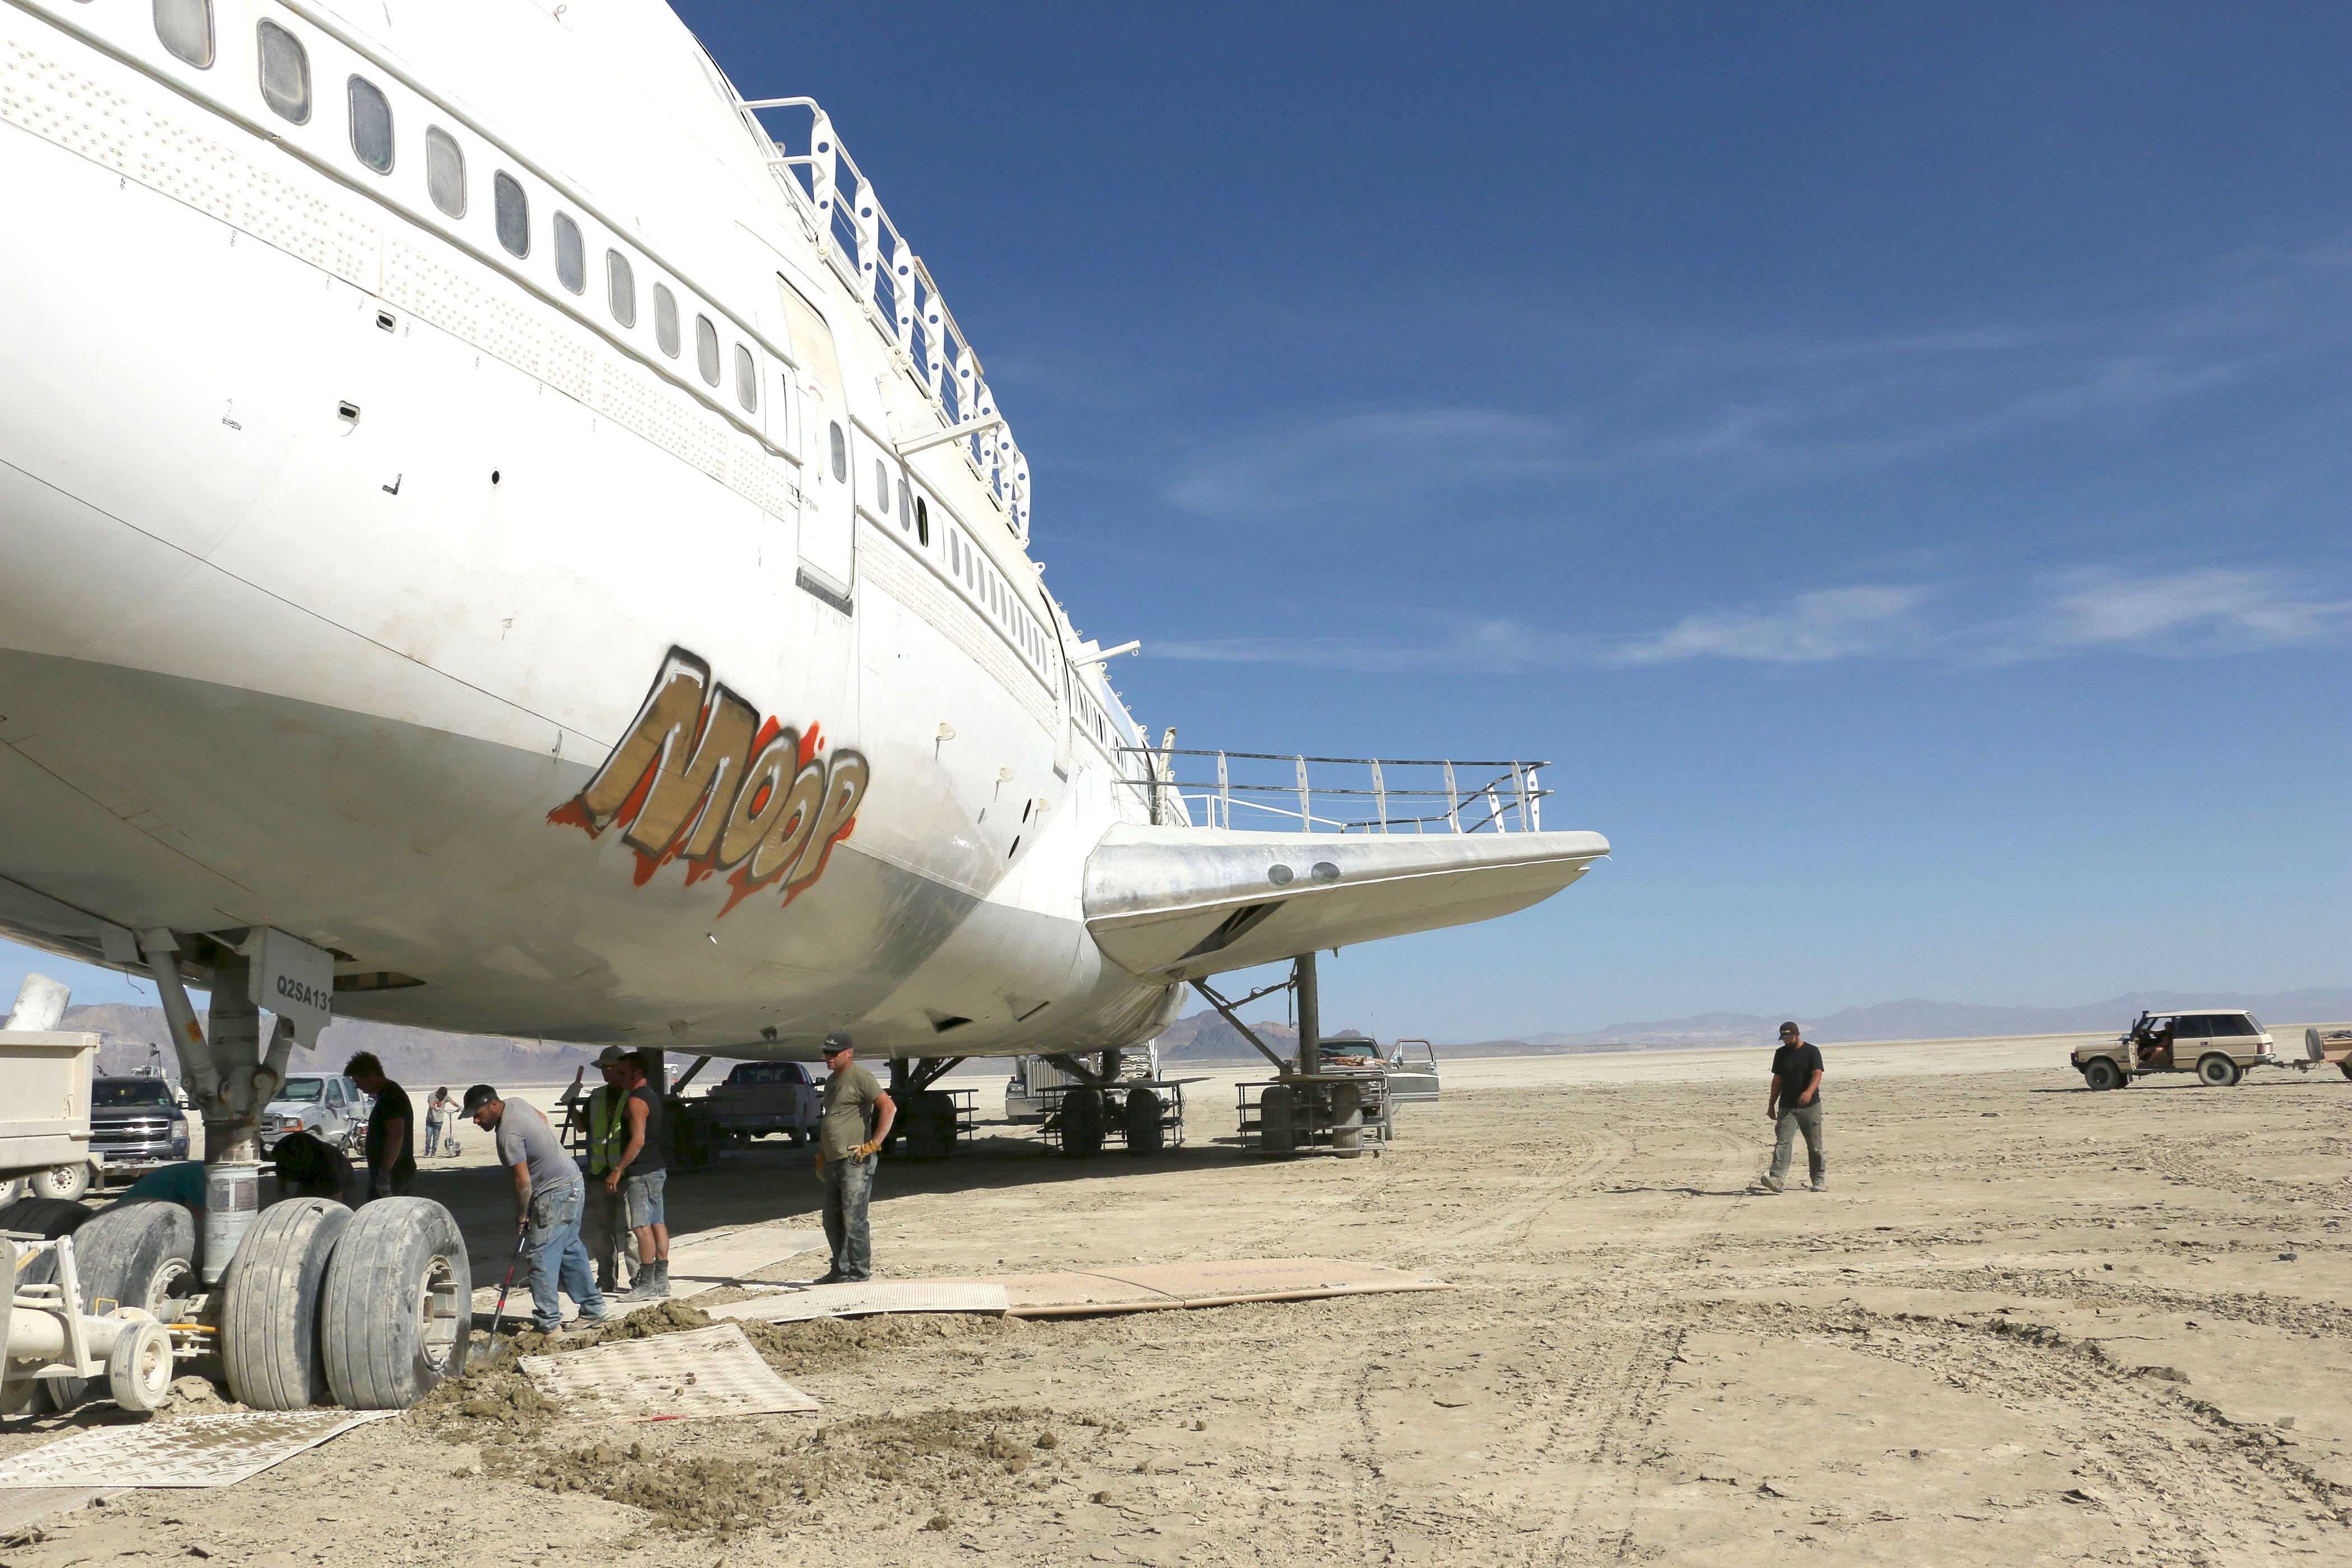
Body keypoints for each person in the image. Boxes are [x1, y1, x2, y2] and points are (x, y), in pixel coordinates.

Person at [464, 1084, 608, 1332]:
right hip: (572, 1181)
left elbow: (522, 1182)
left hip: (554, 1194)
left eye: (478, 1114)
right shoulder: (517, 1103)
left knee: (540, 1258)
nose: (476, 1120)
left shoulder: (508, 1135)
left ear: (494, 1105)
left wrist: (522, 1215)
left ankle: (549, 1325)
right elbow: (541, 1119)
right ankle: (593, 1308)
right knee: (569, 1248)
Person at [813, 1032, 894, 1285]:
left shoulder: (861, 1077)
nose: (829, 1057)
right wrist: (821, 1155)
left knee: (854, 1219)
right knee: (832, 1219)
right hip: (833, 1161)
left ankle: (859, 1272)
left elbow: (889, 1107)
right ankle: (840, 1270)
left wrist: (874, 1144)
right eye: (826, 1052)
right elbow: (830, 1120)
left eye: (833, 1053)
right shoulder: (831, 1081)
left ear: (849, 1052)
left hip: (854, 1161)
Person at [605, 1051, 671, 1299]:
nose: (618, 1077)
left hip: (641, 1172)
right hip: (656, 1169)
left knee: (641, 1227)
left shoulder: (635, 1100)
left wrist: (618, 1169)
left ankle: (646, 1285)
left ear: (637, 1073)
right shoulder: (651, 1096)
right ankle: (662, 1281)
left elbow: (638, 1140)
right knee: (657, 1223)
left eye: (622, 1073)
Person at [580, 1047, 637, 1295]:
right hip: (599, 1173)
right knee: (603, 1231)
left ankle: (638, 1279)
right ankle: (605, 1279)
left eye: (610, 1067)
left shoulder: (632, 1095)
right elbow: (584, 1128)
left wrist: (621, 1168)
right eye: (603, 1068)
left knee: (632, 1230)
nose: (606, 1072)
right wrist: (570, 1105)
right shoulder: (596, 1097)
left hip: (625, 1174)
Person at [1763, 1021, 1826, 1193]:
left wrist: (1809, 1092)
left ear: (1797, 1035)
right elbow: (1777, 1081)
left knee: (1814, 1145)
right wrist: (1771, 1104)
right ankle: (1777, 1179)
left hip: (1810, 1106)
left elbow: (1817, 1074)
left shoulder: (1812, 1051)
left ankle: (1819, 1180)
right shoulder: (1781, 1054)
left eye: (1789, 1038)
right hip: (1787, 1106)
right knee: (1783, 1142)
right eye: (1784, 1038)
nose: (1786, 1041)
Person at [345, 1052, 415, 1202]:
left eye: (358, 1081)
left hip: (395, 1174)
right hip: (392, 1173)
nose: (357, 1086)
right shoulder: (387, 1095)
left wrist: (385, 1174)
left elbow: (397, 1135)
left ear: (371, 1076)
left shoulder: (391, 1097)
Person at [270, 1129, 353, 1201]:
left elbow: (336, 1197)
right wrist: (283, 1192)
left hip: (339, 1171)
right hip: (311, 1169)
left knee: (328, 1206)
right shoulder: (281, 1153)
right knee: (302, 1203)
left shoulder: (327, 1165)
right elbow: (282, 1178)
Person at [424, 1087, 457, 1158]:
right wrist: (436, 1108)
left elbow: (453, 1102)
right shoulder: (431, 1095)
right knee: (428, 1137)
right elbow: (431, 1105)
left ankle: (433, 1153)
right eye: (442, 1096)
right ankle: (427, 1152)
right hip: (430, 1120)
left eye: (444, 1097)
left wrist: (459, 1106)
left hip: (439, 1121)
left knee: (436, 1137)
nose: (443, 1098)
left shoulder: (446, 1096)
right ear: (438, 1093)